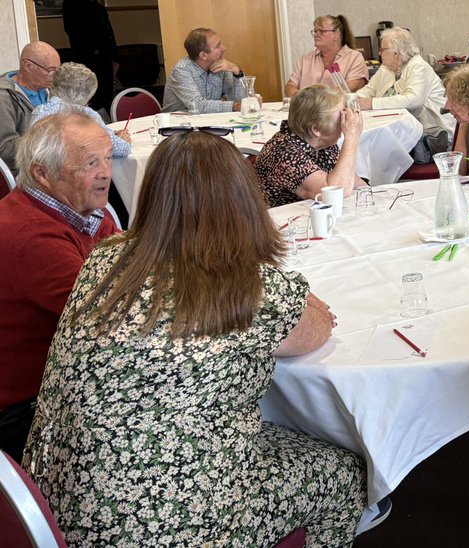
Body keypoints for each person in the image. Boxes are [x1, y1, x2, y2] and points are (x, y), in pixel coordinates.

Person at [24, 131, 367, 547]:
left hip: (60, 504)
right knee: (343, 470)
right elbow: (317, 328)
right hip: (165, 522)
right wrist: (288, 288)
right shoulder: (243, 286)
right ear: (243, 199)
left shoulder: (106, 257)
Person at [0, 112, 117, 460]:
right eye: (90, 163)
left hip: (67, 375)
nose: (106, 173)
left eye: (108, 158)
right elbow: (111, 314)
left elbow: (127, 261)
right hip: (26, 411)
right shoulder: (31, 236)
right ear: (42, 173)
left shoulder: (82, 209)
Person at [254, 84, 367, 208]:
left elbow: (353, 182)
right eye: (341, 117)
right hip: (281, 218)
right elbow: (334, 193)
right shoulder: (284, 152)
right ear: (317, 129)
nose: (346, 121)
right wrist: (352, 137)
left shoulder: (323, 143)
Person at [354, 27, 453, 162]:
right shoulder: (386, 69)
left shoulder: (419, 67)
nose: (379, 53)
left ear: (396, 53)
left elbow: (413, 100)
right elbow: (367, 91)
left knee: (376, 154)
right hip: (404, 134)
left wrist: (372, 103)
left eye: (382, 49)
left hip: (431, 138)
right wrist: (346, 99)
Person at [31, 62, 132, 158]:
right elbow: (121, 149)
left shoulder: (39, 111)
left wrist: (108, 133)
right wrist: (122, 139)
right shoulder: (86, 115)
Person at [60, 0, 119, 114]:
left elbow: (107, 30)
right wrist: (93, 53)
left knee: (107, 96)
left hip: (105, 59)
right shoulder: (71, 1)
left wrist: (114, 57)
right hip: (89, 61)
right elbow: (73, 32)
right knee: (94, 98)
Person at [161, 28, 251, 113]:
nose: (224, 48)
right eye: (218, 46)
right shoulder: (181, 70)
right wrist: (233, 106)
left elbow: (238, 99)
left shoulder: (221, 65)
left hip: (211, 120)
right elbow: (197, 106)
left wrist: (237, 71)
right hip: (178, 122)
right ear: (203, 55)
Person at [1, 42, 61, 169]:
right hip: (26, 170)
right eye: (51, 71)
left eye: (58, 71)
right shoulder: (4, 97)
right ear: (28, 66)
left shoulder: (49, 89)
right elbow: (5, 150)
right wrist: (53, 141)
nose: (56, 77)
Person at [285, 14, 369, 97]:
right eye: (315, 31)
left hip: (339, 105)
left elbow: (351, 87)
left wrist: (315, 99)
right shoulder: (306, 59)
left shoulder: (354, 58)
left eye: (322, 31)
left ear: (336, 34)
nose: (316, 34)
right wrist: (299, 97)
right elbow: (290, 86)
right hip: (306, 105)